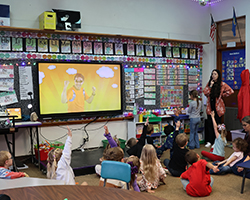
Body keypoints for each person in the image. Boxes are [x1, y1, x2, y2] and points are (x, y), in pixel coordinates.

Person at [203, 69, 234, 147]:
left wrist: (222, 96)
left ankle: (217, 141)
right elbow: (205, 92)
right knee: (210, 124)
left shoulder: (222, 84)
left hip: (218, 108)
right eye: (212, 74)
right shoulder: (210, 83)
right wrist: (210, 86)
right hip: (210, 107)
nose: (213, 75)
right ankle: (210, 141)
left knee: (217, 124)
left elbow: (230, 91)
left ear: (218, 75)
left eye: (215, 74)